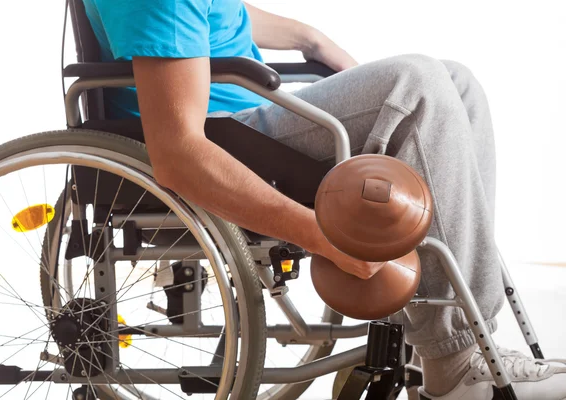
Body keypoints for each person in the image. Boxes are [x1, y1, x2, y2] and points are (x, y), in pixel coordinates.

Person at [81, 0, 566, 398]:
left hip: (245, 118)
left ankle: (459, 341)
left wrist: (311, 39)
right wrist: (320, 236)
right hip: (226, 141)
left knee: (454, 81)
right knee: (419, 85)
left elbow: (218, 16)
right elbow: (179, 155)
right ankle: (456, 360)